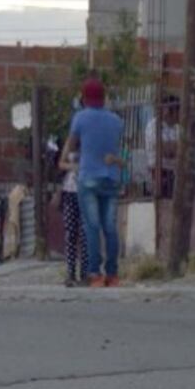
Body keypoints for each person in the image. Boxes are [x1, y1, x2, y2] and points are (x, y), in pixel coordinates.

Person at [61, 77, 124, 288]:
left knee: (92, 227)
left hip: (88, 178)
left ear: (84, 98)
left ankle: (95, 274)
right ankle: (113, 274)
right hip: (112, 177)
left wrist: (69, 159)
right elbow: (118, 148)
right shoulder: (116, 120)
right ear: (104, 98)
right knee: (110, 227)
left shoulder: (80, 118)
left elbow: (70, 146)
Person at [57, 147, 87, 287]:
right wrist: (74, 166)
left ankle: (85, 273)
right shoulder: (71, 142)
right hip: (69, 192)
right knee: (71, 233)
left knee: (85, 233)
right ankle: (70, 273)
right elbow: (61, 163)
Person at [144, 95, 181, 199]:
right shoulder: (153, 126)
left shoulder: (178, 128)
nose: (179, 116)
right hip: (159, 173)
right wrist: (174, 146)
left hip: (175, 174)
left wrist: (173, 147)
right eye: (177, 112)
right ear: (169, 112)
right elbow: (163, 150)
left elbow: (183, 149)